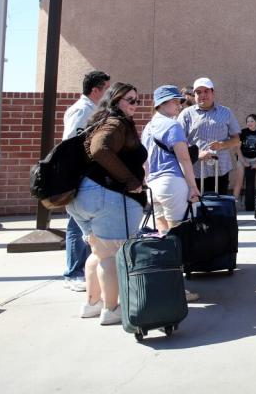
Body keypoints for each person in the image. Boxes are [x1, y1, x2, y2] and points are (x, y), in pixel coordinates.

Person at [66, 82, 147, 325]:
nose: (134, 104)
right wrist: (131, 180)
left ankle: (92, 304)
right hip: (108, 196)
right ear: (114, 101)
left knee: (99, 253)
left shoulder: (98, 121)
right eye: (129, 100)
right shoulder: (115, 122)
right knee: (112, 255)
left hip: (82, 198)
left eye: (137, 100)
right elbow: (101, 149)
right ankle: (112, 309)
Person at [141, 85, 201, 302]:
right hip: (172, 183)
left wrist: (145, 182)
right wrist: (193, 187)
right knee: (177, 237)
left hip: (154, 185)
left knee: (162, 237)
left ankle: (164, 285)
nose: (179, 104)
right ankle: (177, 288)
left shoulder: (148, 127)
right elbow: (184, 159)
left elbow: (145, 161)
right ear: (162, 103)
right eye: (175, 101)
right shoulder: (172, 126)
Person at [61, 70, 110, 292]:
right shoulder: (81, 111)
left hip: (89, 175)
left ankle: (84, 268)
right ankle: (73, 273)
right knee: (76, 224)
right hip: (78, 175)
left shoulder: (93, 110)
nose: (108, 92)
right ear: (95, 90)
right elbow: (69, 143)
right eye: (105, 88)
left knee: (86, 223)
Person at [178, 77, 241, 198]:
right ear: (195, 95)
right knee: (197, 208)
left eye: (206, 91)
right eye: (198, 92)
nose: (202, 95)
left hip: (220, 169)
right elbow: (179, 142)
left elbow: (237, 139)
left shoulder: (226, 112)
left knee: (218, 207)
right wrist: (196, 153)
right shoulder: (186, 114)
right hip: (195, 170)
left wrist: (222, 145)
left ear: (213, 92)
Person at [238, 114, 256, 212]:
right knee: (239, 181)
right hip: (243, 159)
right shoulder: (242, 132)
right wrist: (243, 161)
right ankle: (233, 204)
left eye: (252, 121)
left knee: (251, 183)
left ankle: (250, 207)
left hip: (255, 160)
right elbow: (237, 148)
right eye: (248, 121)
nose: (249, 123)